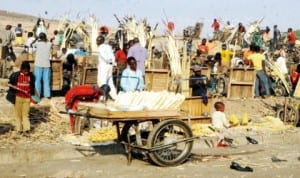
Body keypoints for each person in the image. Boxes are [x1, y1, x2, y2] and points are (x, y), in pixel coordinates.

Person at [6, 61, 35, 136]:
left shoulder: (31, 76)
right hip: (18, 98)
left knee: (25, 115)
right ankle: (19, 130)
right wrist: (9, 85)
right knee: (18, 115)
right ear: (21, 69)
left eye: (27, 70)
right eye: (24, 70)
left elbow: (32, 87)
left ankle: (27, 130)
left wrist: (33, 96)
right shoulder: (15, 75)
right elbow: (9, 83)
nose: (26, 72)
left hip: (27, 99)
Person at [32, 32, 52, 99]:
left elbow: (31, 44)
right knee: (46, 80)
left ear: (39, 37)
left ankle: (38, 95)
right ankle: (47, 95)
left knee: (37, 80)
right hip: (46, 64)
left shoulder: (37, 43)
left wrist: (36, 39)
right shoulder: (49, 44)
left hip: (38, 64)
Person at [96, 35, 118, 100]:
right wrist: (113, 64)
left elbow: (104, 56)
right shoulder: (108, 47)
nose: (96, 42)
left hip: (104, 65)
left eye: (97, 40)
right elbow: (112, 56)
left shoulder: (100, 47)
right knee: (110, 81)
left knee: (102, 81)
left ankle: (103, 96)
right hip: (110, 66)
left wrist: (108, 61)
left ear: (100, 41)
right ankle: (115, 97)